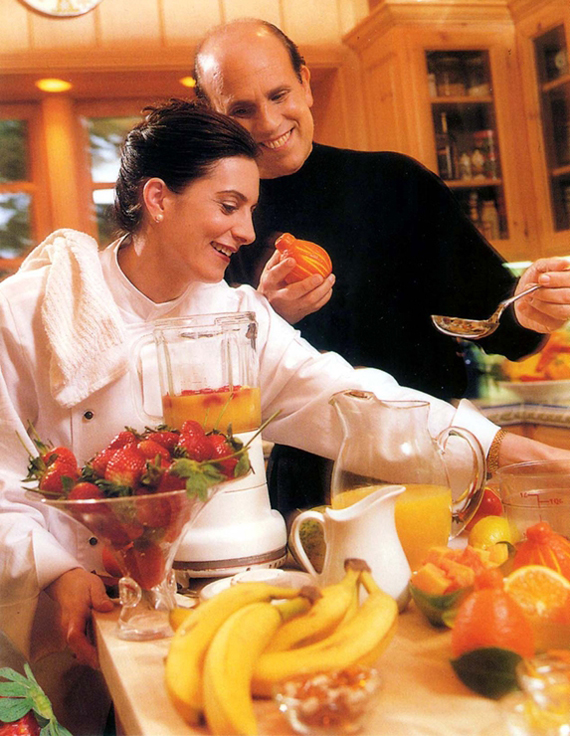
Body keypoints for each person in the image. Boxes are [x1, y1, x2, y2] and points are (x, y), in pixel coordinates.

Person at [0, 99, 565, 684]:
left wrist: (501, 449)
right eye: (228, 206)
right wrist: (57, 572)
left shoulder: (238, 317)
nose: (246, 232)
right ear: (159, 199)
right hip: (66, 616)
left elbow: (351, 404)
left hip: (204, 606)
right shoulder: (33, 310)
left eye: (250, 209)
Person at [193, 18, 570, 513]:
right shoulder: (213, 225)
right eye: (241, 110)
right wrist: (266, 318)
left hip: (439, 465)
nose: (267, 123)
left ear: (305, 82)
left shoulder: (396, 184)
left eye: (279, 94)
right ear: (213, 115)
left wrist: (530, 309)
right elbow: (209, 388)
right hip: (309, 491)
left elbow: (498, 326)